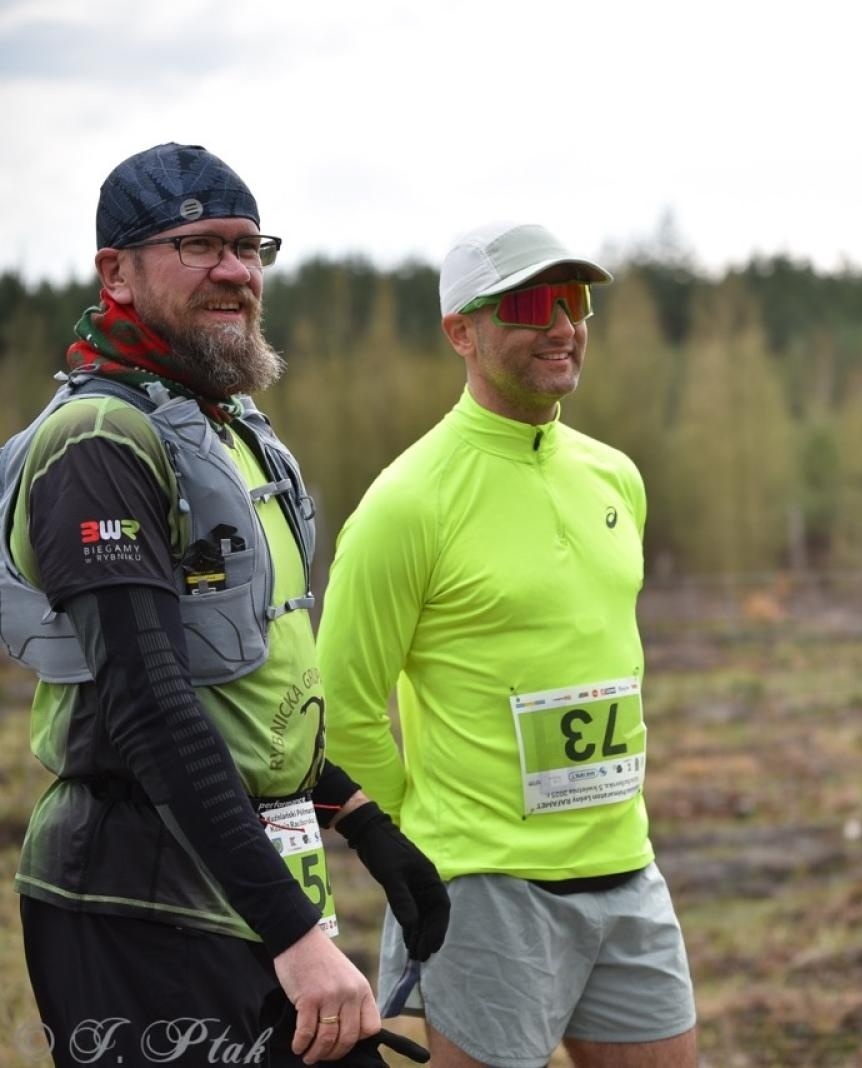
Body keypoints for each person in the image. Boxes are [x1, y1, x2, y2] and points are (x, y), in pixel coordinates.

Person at [1, 143, 450, 1067]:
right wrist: (295, 936)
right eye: (199, 245)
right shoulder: (99, 443)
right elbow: (152, 709)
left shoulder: (225, 429)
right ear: (115, 273)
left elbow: (240, 682)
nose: (237, 272)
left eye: (251, 248)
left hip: (236, 877)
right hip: (137, 902)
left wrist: (364, 822)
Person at [318, 221, 698, 1067]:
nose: (563, 325)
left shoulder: (615, 476)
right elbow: (341, 704)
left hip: (627, 870)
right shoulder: (405, 504)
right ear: (461, 330)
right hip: (484, 894)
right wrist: (415, 841)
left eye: (576, 299)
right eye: (531, 304)